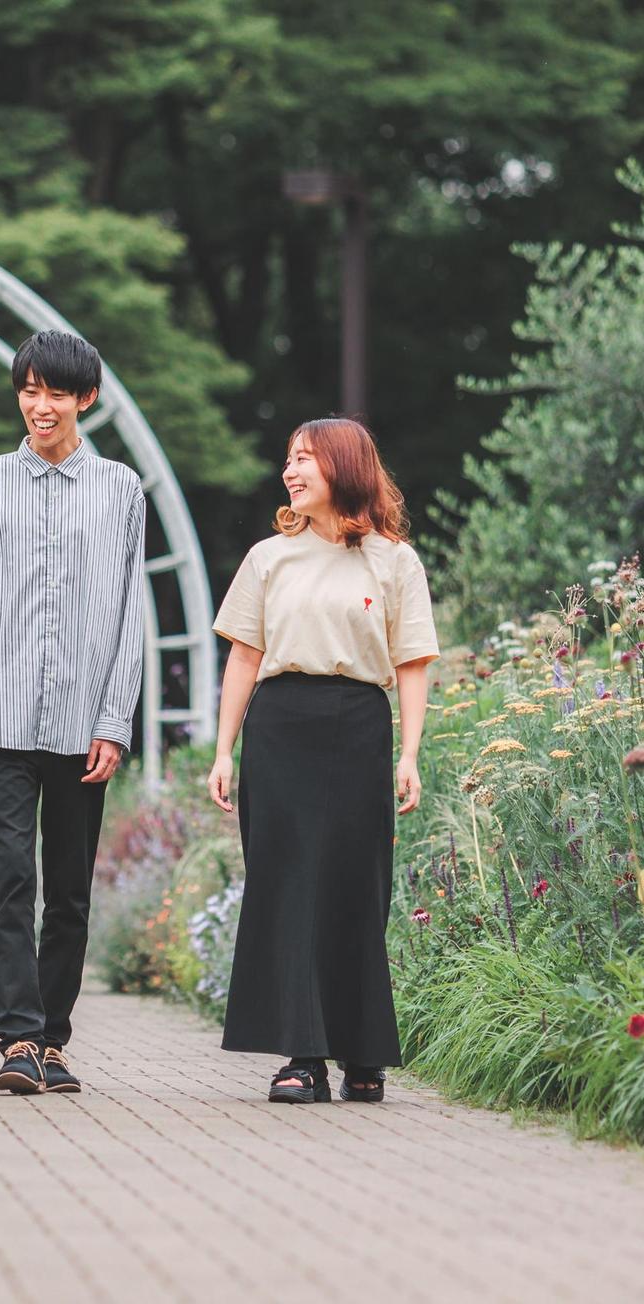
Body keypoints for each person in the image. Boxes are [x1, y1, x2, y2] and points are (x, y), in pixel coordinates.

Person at [0, 329, 146, 1096]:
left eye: (57, 392)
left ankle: (54, 1041)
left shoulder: (121, 490)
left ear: (85, 398)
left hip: (84, 725)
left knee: (70, 892)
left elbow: (130, 617)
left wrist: (115, 720)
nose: (41, 406)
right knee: (10, 883)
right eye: (30, 391)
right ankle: (18, 1040)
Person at [208, 417, 437, 1104]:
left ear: (344, 466)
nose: (291, 470)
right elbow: (243, 657)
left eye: (305, 457)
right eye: (289, 459)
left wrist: (410, 754)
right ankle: (303, 1058)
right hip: (279, 729)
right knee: (287, 888)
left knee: (356, 887)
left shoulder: (394, 562)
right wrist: (223, 751)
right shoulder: (267, 558)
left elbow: (413, 663)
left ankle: (363, 1054)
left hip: (359, 727)